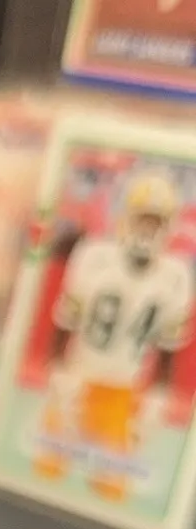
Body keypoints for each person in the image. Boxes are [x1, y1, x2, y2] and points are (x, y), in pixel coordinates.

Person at [36, 169, 194, 501]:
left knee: (112, 489)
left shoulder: (176, 276)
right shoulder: (94, 256)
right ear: (125, 218)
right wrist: (58, 368)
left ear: (168, 228)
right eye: (142, 219)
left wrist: (158, 396)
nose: (147, 231)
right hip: (81, 373)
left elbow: (168, 346)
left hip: (124, 387)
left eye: (156, 223)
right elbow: (67, 319)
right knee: (45, 471)